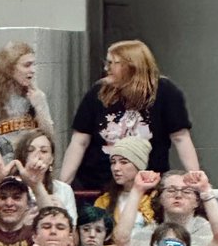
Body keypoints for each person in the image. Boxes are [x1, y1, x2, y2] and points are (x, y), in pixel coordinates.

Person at [60, 39, 198, 189]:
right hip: (98, 182)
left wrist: (196, 178)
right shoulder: (99, 91)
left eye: (113, 63)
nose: (107, 68)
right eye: (107, 62)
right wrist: (62, 186)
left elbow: (180, 138)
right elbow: (79, 141)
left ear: (131, 66)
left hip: (147, 182)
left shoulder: (165, 92)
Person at [0, 40, 54, 167]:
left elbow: (50, 138)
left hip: (34, 165)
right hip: (6, 166)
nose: (33, 70)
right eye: (27, 65)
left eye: (33, 65)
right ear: (9, 68)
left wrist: (40, 106)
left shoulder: (37, 96)